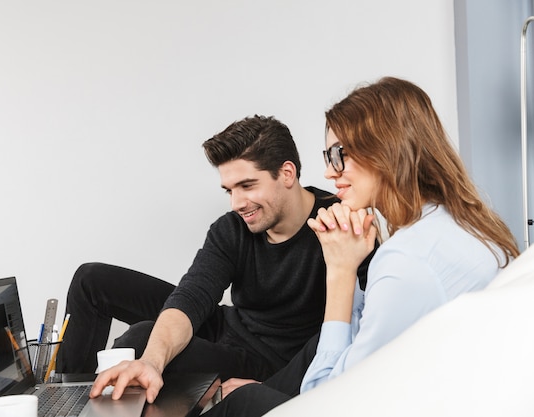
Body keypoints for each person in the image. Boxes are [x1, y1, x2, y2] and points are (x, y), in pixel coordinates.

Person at [200, 77, 520, 417]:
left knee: (242, 403)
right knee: (249, 394)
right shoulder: (467, 224)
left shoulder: (406, 260)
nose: (327, 171)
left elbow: (326, 396)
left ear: (386, 148)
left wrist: (340, 271)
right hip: (440, 393)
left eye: (339, 155)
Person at [56, 115, 374, 403]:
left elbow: (358, 328)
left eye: (247, 186)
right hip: (228, 326)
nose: (237, 202)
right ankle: (64, 398)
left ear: (287, 173)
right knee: (91, 280)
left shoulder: (340, 224)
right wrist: (151, 362)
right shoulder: (232, 228)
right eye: (229, 190)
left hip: (272, 360)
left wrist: (274, 388)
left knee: (140, 337)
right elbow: (193, 294)